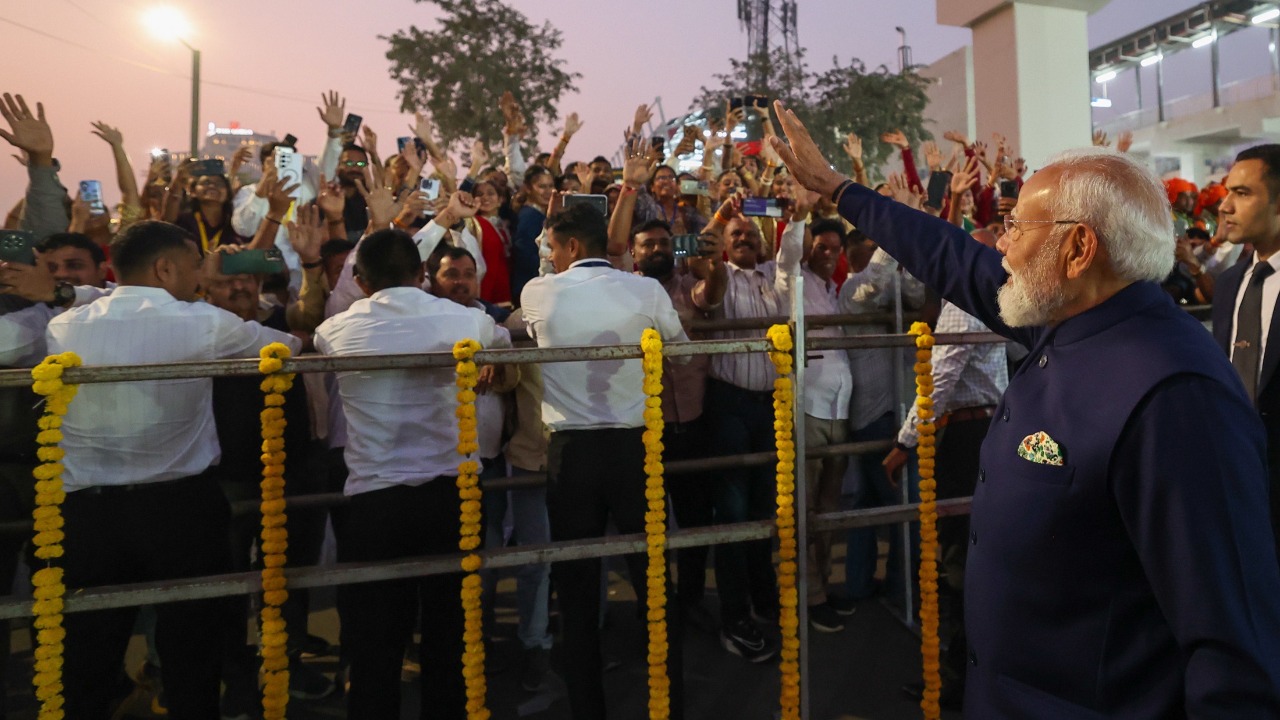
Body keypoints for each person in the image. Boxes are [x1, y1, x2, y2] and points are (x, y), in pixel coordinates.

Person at [771, 102, 1280, 716]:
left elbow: (1231, 652)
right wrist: (840, 189)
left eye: (1017, 228)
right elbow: (953, 258)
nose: (1002, 246)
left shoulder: (1175, 396)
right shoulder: (1069, 322)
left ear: (1078, 247)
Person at [44, 220, 302, 718]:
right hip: (179, 509)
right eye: (195, 264)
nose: (203, 274)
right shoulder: (201, 322)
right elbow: (283, 347)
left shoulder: (65, 324)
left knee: (87, 655)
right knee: (192, 649)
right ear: (165, 268)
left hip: (88, 515)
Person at [315, 228, 499, 718]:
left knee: (376, 642)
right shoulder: (463, 321)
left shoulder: (334, 330)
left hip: (377, 502)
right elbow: (499, 342)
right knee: (450, 634)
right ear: (422, 274)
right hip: (451, 495)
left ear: (359, 280)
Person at [520, 203, 690, 720]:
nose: (548, 256)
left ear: (570, 248)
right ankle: (670, 705)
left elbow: (530, 323)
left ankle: (587, 710)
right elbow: (679, 352)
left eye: (551, 247)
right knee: (654, 581)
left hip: (571, 453)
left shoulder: (538, 292)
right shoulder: (646, 290)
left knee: (575, 592)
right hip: (634, 448)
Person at [887, 227, 1008, 708]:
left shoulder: (963, 300)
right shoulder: (995, 293)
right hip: (982, 429)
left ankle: (957, 680)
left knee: (958, 560)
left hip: (963, 437)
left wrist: (905, 441)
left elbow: (940, 377)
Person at [1211, 143, 1280, 564]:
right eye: (1227, 192)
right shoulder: (1228, 284)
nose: (1224, 205)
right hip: (1236, 480)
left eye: (1243, 193)